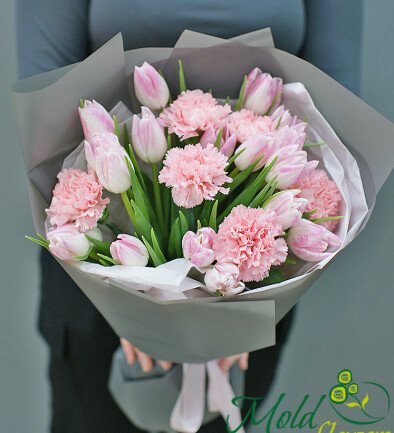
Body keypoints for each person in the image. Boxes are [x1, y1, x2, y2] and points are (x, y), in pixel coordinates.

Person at [17, 1, 362, 432]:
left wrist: (236, 315)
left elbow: (337, 102)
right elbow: (46, 94)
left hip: (258, 278)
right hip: (97, 268)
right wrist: (138, 310)